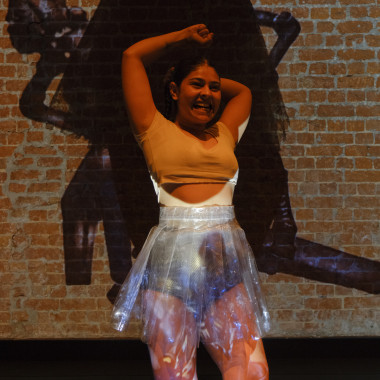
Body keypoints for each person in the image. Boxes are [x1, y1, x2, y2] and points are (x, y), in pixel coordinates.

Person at [112, 24, 270, 380]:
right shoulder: (154, 128)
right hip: (173, 262)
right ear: (173, 90)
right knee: (175, 374)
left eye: (214, 87)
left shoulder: (225, 131)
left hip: (224, 258)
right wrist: (183, 44)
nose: (208, 94)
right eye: (196, 85)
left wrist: (203, 76)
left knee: (251, 371)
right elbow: (132, 56)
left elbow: (243, 91)